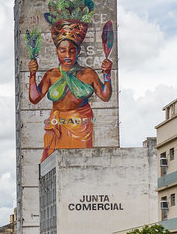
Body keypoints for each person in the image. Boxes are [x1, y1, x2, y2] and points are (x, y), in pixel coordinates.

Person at [27, 0, 113, 161]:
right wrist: (32, 74)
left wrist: (107, 74)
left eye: (72, 51)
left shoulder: (88, 73)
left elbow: (105, 96)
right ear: (56, 51)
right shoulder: (51, 75)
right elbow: (34, 98)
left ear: (78, 51)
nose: (67, 55)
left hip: (82, 127)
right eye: (63, 50)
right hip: (57, 125)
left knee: (81, 165)